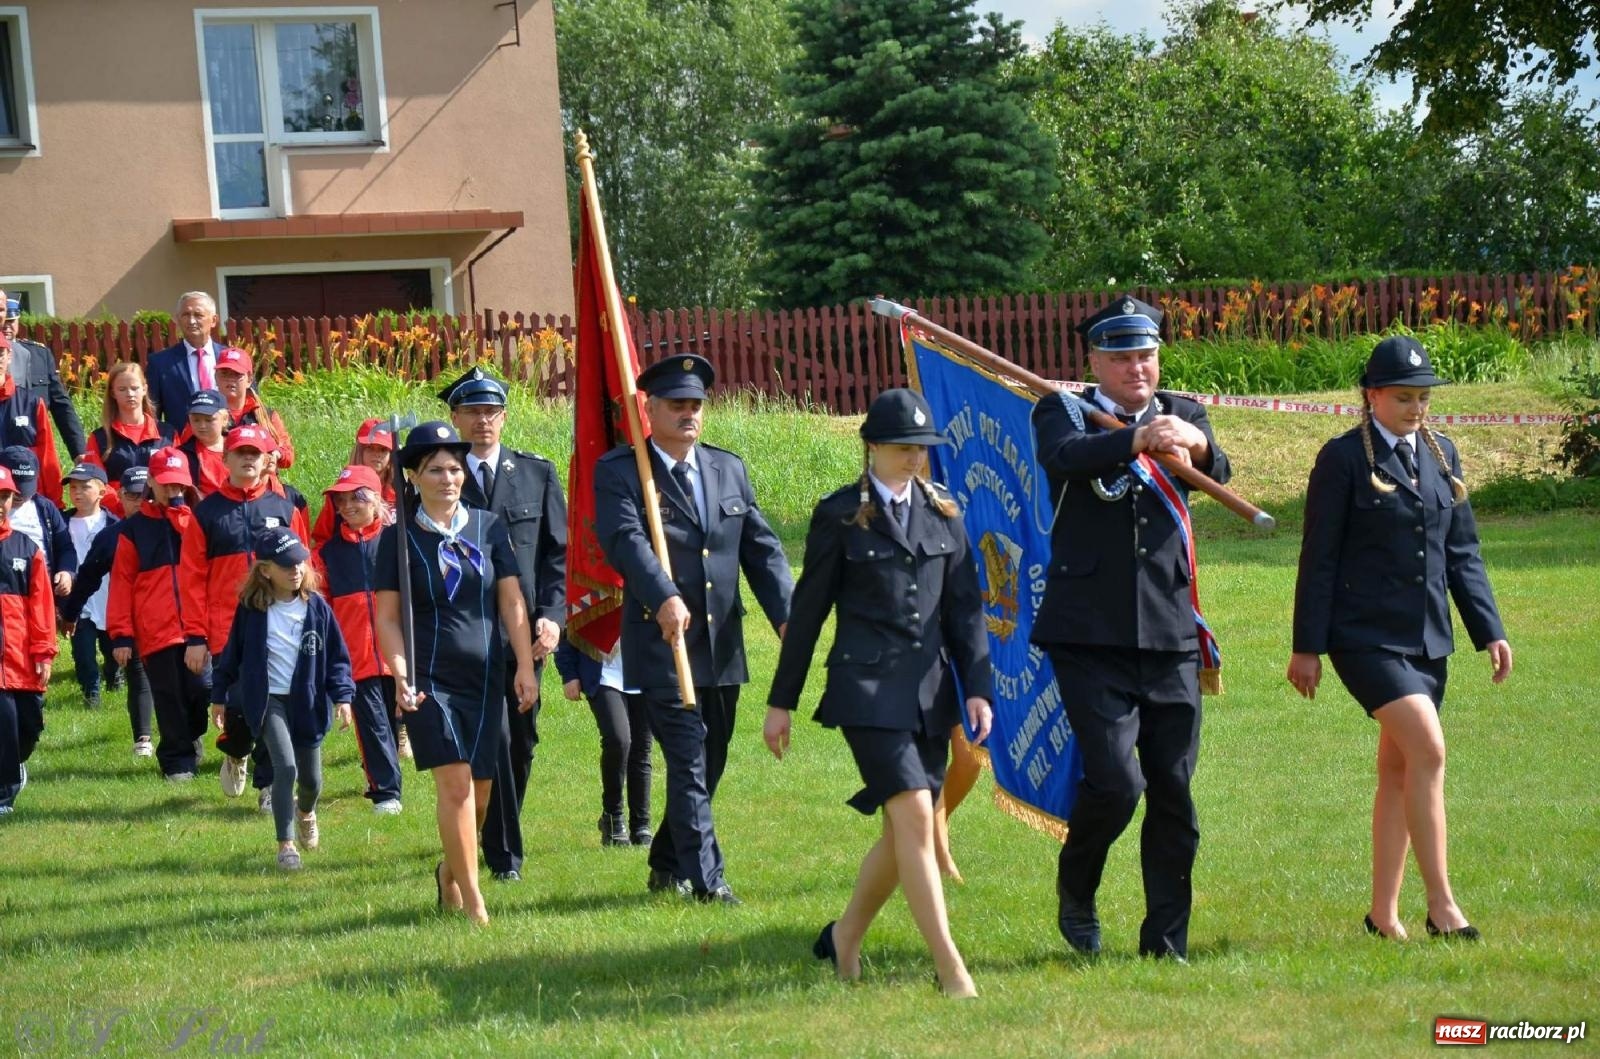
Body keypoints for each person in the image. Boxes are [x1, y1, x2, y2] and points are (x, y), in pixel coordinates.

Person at [765, 388, 994, 998]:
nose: (914, 459)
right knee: (916, 814)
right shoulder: (839, 514)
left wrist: (979, 689)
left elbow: (965, 611)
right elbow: (807, 613)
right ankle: (951, 967)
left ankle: (845, 935)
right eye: (902, 448)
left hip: (930, 692)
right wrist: (780, 701)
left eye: (921, 448)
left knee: (901, 835)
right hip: (865, 691)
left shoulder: (946, 510)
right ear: (871, 446)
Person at [1288, 336, 1511, 942]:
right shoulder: (1341, 460)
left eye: (1423, 398)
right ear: (1372, 396)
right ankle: (1443, 906)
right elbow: (1320, 558)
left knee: (1399, 770)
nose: (1416, 408)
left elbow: (1461, 552)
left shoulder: (1442, 454)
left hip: (1427, 641)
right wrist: (1306, 646)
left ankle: (1382, 915)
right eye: (1403, 397)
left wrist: (1488, 629)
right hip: (1364, 640)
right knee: (1430, 751)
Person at [1030, 295, 1231, 962]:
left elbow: (1217, 465)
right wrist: (1133, 439)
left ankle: (1165, 941)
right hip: (1088, 633)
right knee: (1118, 782)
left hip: (1171, 633)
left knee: (1173, 790)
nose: (1136, 368)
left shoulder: (1183, 413)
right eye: (1120, 357)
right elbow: (1065, 458)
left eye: (1144, 355)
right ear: (1094, 360)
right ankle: (1076, 885)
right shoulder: (1059, 406)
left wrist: (1192, 441)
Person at [593, 354, 793, 904]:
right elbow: (625, 540)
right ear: (649, 409)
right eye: (676, 405)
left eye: (695, 405)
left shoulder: (727, 468)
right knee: (687, 761)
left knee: (712, 761)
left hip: (721, 645)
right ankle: (708, 883)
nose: (688, 414)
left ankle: (664, 861)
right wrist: (664, 596)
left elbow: (761, 548)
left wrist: (787, 616)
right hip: (663, 643)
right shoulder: (621, 471)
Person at [373, 422, 537, 925]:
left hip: (487, 676)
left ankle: (449, 869)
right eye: (435, 469)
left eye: (454, 468)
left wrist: (525, 665)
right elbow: (386, 617)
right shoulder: (396, 539)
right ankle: (474, 900)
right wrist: (400, 672)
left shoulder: (489, 528)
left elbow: (511, 603)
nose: (448, 477)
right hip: (429, 679)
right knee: (457, 787)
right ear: (415, 477)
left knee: (483, 794)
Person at [440, 366, 567, 882]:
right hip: (466, 633)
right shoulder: (441, 476)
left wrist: (553, 617)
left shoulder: (535, 474)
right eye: (472, 412)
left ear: (505, 417)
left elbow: (557, 556)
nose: (482, 422)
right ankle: (501, 855)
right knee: (487, 744)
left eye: (491, 412)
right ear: (455, 418)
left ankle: (490, 825)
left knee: (521, 741)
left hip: (525, 635)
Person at [211, 528, 354, 871]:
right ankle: (286, 844)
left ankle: (305, 811)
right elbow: (232, 655)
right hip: (269, 702)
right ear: (265, 570)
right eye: (286, 565)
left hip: (308, 703)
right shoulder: (252, 610)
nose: (296, 570)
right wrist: (219, 696)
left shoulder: (317, 609)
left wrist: (343, 697)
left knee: (312, 782)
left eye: (300, 562)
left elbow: (337, 658)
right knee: (284, 767)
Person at [181, 425, 305, 809]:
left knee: (273, 705)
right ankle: (237, 751)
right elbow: (191, 577)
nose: (248, 459)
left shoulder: (286, 508)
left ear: (268, 460)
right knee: (235, 708)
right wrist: (196, 637)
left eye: (255, 453)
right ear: (226, 459)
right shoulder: (206, 513)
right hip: (224, 631)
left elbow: (305, 566)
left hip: (278, 627)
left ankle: (269, 786)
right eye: (240, 453)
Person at [107, 448, 209, 781]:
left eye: (178, 484)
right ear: (151, 482)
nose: (172, 491)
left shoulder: (199, 519)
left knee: (202, 689)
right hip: (156, 630)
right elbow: (121, 583)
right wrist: (121, 634)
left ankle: (191, 736)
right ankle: (177, 762)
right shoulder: (133, 529)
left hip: (198, 626)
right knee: (168, 697)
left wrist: (182, 517)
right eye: (165, 484)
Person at [314, 465, 402, 814]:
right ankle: (385, 792)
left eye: (357, 497)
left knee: (395, 723)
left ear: (377, 498)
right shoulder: (328, 553)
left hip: (397, 649)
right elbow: (323, 607)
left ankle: (389, 778)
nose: (348, 506)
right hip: (356, 654)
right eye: (342, 501)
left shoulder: (397, 543)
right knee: (372, 724)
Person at [62, 466, 157, 756]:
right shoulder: (111, 536)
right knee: (138, 675)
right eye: (132, 496)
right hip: (126, 617)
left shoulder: (175, 528)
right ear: (121, 496)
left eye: (146, 496)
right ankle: (144, 739)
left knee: (183, 684)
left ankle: (189, 740)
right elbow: (88, 577)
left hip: (169, 620)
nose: (140, 502)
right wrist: (70, 613)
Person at [554, 632, 652, 846]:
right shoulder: (590, 595)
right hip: (603, 672)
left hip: (644, 673)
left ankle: (641, 824)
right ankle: (613, 816)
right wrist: (569, 673)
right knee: (619, 740)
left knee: (641, 749)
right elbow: (570, 622)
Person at [0, 464, 57, 815]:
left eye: (5, 496)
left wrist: (44, 652)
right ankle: (4, 796)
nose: (0, 503)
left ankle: (13, 768)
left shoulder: (27, 548)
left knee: (30, 726)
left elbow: (42, 606)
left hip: (23, 659)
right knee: (3, 725)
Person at [0, 293, 88, 459]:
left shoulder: (37, 355)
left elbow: (61, 406)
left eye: (12, 321)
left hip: (31, 447)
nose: (6, 327)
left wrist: (79, 452)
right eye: (5, 321)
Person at [83, 361, 176, 516]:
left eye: (135, 388)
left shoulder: (167, 433)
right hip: (117, 515)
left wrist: (157, 503)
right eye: (122, 389)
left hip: (161, 514)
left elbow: (176, 476)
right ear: (113, 393)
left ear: (144, 389)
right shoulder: (99, 437)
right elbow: (95, 482)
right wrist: (126, 506)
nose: (130, 394)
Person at [62, 462, 119, 710]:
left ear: (102, 491)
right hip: (79, 601)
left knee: (112, 649)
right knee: (83, 654)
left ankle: (114, 677)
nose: (77, 493)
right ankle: (91, 693)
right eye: (73, 487)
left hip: (109, 597)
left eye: (85, 487)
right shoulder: (62, 523)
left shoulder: (114, 524)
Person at [0, 447, 75, 596]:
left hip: (41, 587)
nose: (19, 496)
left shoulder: (44, 507)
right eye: (13, 490)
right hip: (8, 588)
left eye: (26, 488)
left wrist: (66, 572)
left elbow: (65, 546)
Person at [311, 418, 397, 547]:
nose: (377, 455)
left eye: (383, 450)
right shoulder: (341, 491)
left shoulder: (402, 491)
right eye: (370, 448)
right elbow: (321, 539)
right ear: (359, 450)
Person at [0, 337, 62, 509]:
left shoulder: (32, 402)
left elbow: (47, 456)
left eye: (0, 353)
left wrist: (55, 502)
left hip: (25, 500)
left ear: (9, 356)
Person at [146, 292, 223, 431]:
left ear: (213, 320)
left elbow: (250, 404)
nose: (191, 321)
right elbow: (152, 414)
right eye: (186, 315)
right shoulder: (160, 364)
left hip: (228, 444)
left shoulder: (229, 357)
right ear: (177, 319)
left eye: (198, 315)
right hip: (182, 445)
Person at [214, 346, 295, 470]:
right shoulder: (206, 415)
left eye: (237, 374)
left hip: (263, 486)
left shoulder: (267, 416)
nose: (230, 379)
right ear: (216, 378)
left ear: (249, 379)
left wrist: (276, 454)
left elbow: (288, 456)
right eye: (224, 373)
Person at [177, 388, 230, 498]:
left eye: (209, 420)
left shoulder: (238, 448)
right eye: (196, 420)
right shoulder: (183, 454)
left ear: (224, 419)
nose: (202, 426)